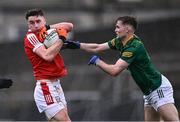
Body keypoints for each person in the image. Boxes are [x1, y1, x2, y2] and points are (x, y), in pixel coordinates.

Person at [64, 16, 179, 121]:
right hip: (149, 92)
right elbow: (97, 47)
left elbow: (115, 71)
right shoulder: (120, 41)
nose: (115, 30)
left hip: (158, 88)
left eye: (118, 27)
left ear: (127, 29)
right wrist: (76, 45)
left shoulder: (134, 47)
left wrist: (98, 62)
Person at [24, 8, 73, 121]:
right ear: (28, 24)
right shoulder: (30, 37)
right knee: (65, 120)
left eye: (38, 21)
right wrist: (61, 38)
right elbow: (47, 56)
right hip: (45, 86)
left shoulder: (46, 31)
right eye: (31, 22)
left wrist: (48, 27)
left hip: (56, 84)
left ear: (44, 20)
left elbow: (69, 26)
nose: (35, 25)